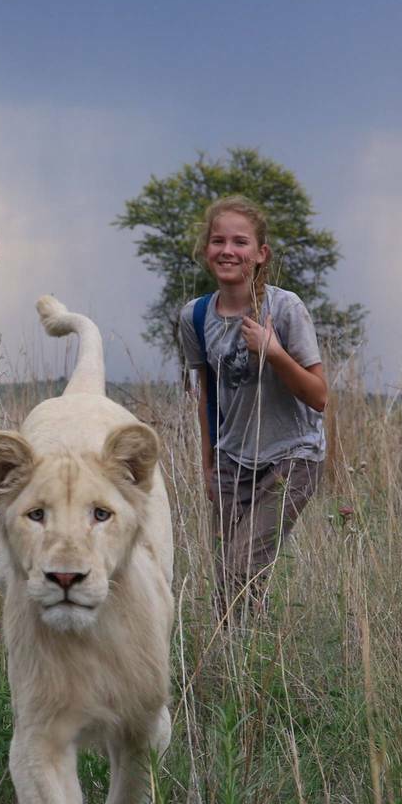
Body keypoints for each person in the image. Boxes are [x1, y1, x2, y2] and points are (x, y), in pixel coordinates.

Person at [174, 195, 328, 620]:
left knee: (239, 568)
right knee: (229, 579)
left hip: (292, 458)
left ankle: (247, 665)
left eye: (240, 242)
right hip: (231, 463)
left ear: (261, 254)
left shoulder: (285, 308)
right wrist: (208, 465)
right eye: (218, 240)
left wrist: (274, 352)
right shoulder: (195, 315)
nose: (228, 250)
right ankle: (241, 670)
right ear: (206, 250)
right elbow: (207, 395)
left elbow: (319, 395)